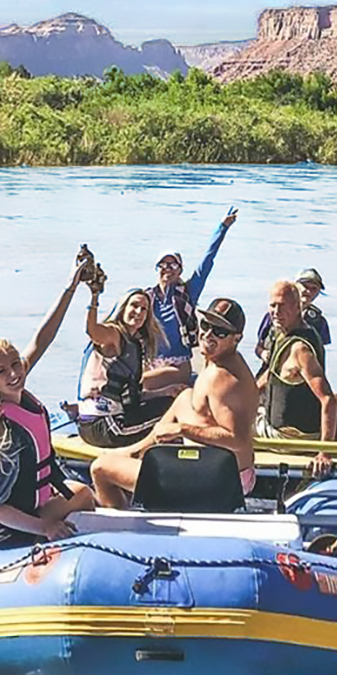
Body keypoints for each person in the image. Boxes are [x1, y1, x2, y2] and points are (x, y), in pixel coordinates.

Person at [0, 263, 97, 549]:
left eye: (15, 364)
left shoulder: (15, 390)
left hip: (35, 502)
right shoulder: (0, 431)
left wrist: (71, 287)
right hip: (9, 523)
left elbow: (43, 338)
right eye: (2, 372)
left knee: (83, 493)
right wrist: (44, 527)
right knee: (81, 495)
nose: (13, 373)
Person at [90, 298, 259, 508]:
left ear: (236, 338)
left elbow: (238, 439)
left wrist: (181, 429)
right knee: (185, 396)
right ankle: (138, 450)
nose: (208, 334)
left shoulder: (223, 379)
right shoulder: (223, 362)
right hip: (223, 471)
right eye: (205, 325)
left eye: (220, 331)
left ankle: (123, 528)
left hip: (217, 482)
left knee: (100, 468)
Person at [76, 285, 189, 448]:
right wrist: (94, 297)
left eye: (144, 309)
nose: (139, 312)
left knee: (172, 401)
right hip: (104, 426)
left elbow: (130, 398)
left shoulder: (133, 343)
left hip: (110, 419)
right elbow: (92, 331)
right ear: (122, 308)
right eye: (134, 306)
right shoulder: (113, 335)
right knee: (174, 418)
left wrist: (165, 391)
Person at [147, 206, 239, 390]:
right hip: (152, 362)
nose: (167, 269)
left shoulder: (187, 293)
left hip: (178, 365)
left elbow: (207, 261)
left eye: (173, 265)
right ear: (157, 269)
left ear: (180, 270)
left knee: (139, 383)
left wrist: (222, 228)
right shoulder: (147, 297)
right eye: (163, 265)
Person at [255, 279, 337, 478]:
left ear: (297, 307)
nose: (276, 311)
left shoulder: (301, 349)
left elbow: (328, 400)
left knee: (222, 426)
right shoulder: (282, 334)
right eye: (272, 305)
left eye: (282, 306)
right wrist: (245, 393)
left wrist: (324, 452)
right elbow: (271, 374)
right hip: (273, 425)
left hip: (287, 438)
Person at [253, 266, 330, 361]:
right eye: (305, 286)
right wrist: (263, 354)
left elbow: (320, 353)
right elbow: (259, 346)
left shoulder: (319, 321)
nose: (309, 291)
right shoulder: (274, 315)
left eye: (314, 288)